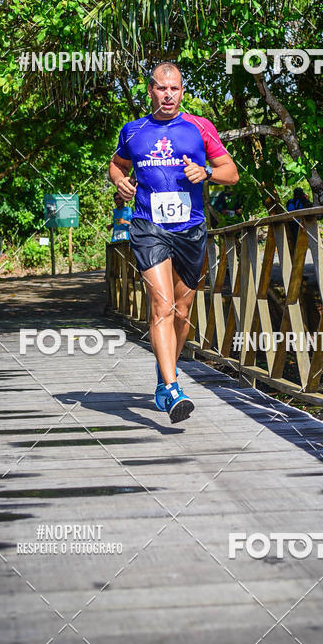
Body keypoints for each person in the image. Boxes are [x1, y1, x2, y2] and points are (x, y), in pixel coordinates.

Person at [109, 61, 239, 423]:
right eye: (161, 89)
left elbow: (232, 173)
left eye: (175, 89)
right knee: (162, 306)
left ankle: (164, 372)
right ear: (150, 90)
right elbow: (116, 165)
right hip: (149, 226)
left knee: (182, 311)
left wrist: (207, 172)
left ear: (182, 91)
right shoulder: (134, 131)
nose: (168, 95)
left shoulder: (200, 127)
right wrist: (119, 181)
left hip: (191, 229)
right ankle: (171, 387)